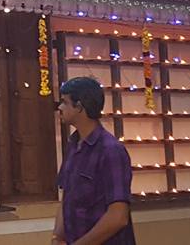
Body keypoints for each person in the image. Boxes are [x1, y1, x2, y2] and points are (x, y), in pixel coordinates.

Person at [52, 77, 136, 245]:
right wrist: (57, 237)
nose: (59, 108)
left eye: (65, 102)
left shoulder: (110, 150)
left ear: (80, 107)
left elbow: (118, 217)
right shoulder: (73, 145)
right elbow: (67, 198)